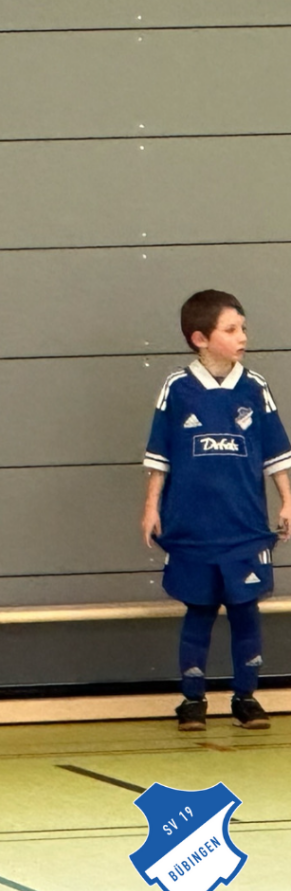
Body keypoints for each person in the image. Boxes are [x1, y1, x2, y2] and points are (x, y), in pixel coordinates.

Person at [141, 289, 291, 731]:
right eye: (231, 329)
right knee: (200, 611)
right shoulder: (178, 388)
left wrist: (288, 500)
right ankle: (192, 702)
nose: (243, 336)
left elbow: (276, 453)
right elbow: (159, 454)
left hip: (244, 526)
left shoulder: (254, 387)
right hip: (192, 527)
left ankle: (246, 698)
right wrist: (151, 507)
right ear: (200, 338)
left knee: (246, 611)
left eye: (243, 327)